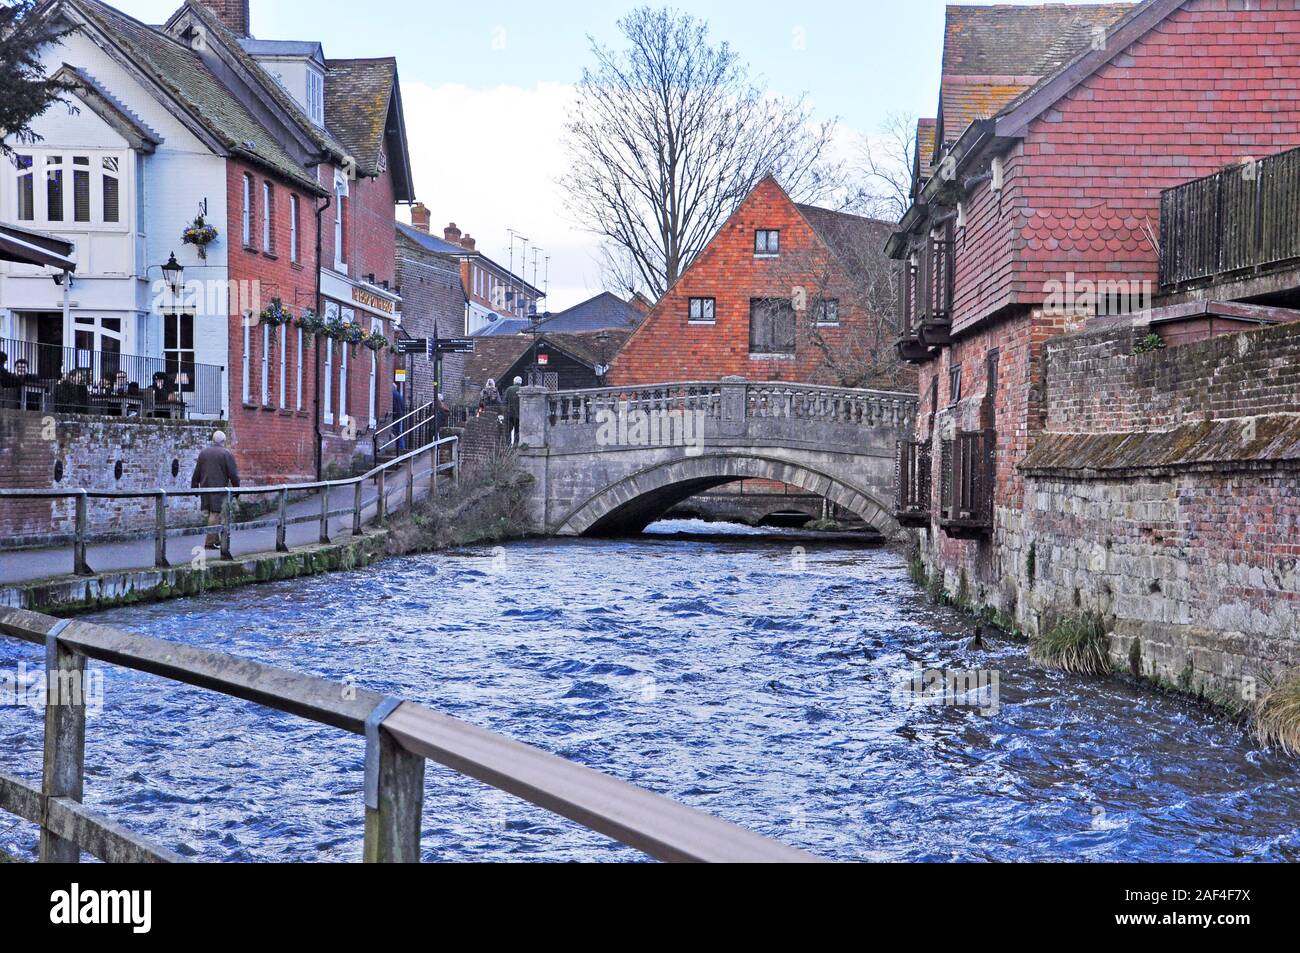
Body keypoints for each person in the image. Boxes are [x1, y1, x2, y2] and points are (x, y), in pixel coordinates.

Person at [191, 431, 240, 550]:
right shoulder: (226, 453)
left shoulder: (204, 453)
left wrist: (195, 488)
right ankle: (210, 542)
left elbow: (196, 472)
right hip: (218, 489)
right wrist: (237, 489)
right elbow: (233, 474)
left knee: (211, 514)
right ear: (223, 441)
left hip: (205, 488)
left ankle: (216, 540)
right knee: (215, 513)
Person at [503, 375, 523, 443]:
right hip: (519, 414)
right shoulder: (522, 389)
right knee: (517, 430)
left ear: (514, 382)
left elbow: (504, 401)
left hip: (510, 413)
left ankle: (508, 445)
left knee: (509, 430)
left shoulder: (509, 389)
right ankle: (516, 445)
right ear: (520, 382)